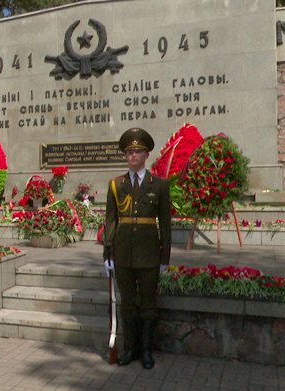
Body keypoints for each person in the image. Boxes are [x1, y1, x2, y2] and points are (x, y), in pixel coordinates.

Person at [103, 127, 171, 369]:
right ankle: (130, 349)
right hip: (122, 253)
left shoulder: (160, 186)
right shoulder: (115, 185)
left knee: (149, 303)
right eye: (129, 151)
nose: (133, 155)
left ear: (146, 155)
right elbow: (110, 221)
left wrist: (165, 258)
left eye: (138, 151)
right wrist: (107, 254)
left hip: (149, 253)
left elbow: (165, 224)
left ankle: (146, 350)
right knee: (128, 302)